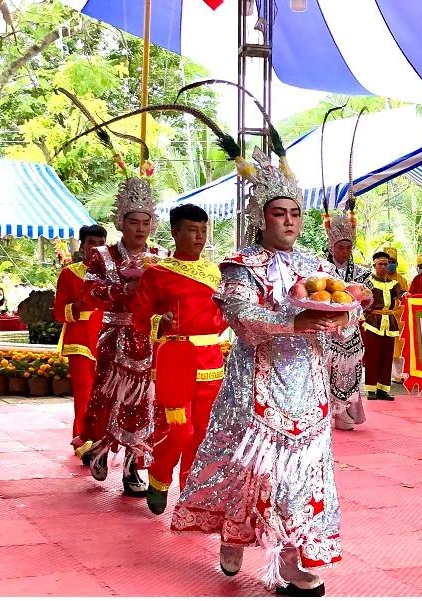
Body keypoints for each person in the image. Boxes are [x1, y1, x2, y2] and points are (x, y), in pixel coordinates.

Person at [172, 146, 359, 596]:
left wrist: (344, 315)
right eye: (280, 213)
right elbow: (239, 314)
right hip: (253, 384)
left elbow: (340, 309)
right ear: (262, 217)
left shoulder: (316, 264)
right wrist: (293, 321)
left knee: (302, 474)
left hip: (308, 386)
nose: (290, 221)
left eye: (296, 213)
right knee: (250, 468)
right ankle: (234, 533)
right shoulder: (240, 265)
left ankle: (292, 561)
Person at [130, 204, 226, 515]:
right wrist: (162, 320)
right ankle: (159, 478)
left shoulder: (217, 273)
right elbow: (140, 319)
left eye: (203, 230)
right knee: (177, 429)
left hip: (211, 360)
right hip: (176, 358)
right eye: (192, 230)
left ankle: (191, 494)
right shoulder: (157, 273)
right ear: (175, 232)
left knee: (202, 433)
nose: (199, 237)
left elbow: (224, 316)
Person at [82, 178, 163, 496]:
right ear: (120, 222)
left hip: (149, 338)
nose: (140, 229)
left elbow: (168, 295)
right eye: (133, 222)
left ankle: (133, 467)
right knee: (108, 398)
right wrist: (122, 290)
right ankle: (101, 449)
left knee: (145, 404)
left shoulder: (160, 256)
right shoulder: (102, 256)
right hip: (115, 338)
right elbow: (89, 295)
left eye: (146, 222)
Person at [53, 224, 107, 462]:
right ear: (82, 245)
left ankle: (104, 441)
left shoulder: (113, 272)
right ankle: (83, 441)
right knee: (84, 393)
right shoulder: (70, 273)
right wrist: (78, 306)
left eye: (101, 243)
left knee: (107, 394)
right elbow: (58, 312)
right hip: (80, 339)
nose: (96, 249)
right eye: (91, 243)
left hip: (107, 337)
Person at [324, 212, 370, 431]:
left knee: (351, 369)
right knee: (326, 369)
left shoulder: (361, 272)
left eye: (347, 247)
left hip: (351, 329)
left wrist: (365, 298)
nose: (343, 251)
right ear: (331, 246)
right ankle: (325, 413)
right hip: (326, 328)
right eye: (339, 247)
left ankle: (347, 413)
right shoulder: (320, 269)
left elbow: (368, 300)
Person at [363, 251, 403, 400]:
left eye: (386, 264)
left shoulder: (394, 283)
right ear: (374, 265)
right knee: (373, 356)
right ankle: (371, 389)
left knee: (387, 357)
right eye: (380, 264)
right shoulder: (368, 282)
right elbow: (362, 300)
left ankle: (383, 389)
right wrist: (368, 314)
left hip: (389, 323)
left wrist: (406, 296)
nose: (384, 267)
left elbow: (401, 293)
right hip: (374, 322)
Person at [384, 246, 409, 382]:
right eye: (388, 261)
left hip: (399, 318)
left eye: (393, 261)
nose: (390, 264)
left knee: (399, 348)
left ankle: (398, 375)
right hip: (383, 318)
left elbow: (406, 297)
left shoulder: (402, 280)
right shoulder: (377, 278)